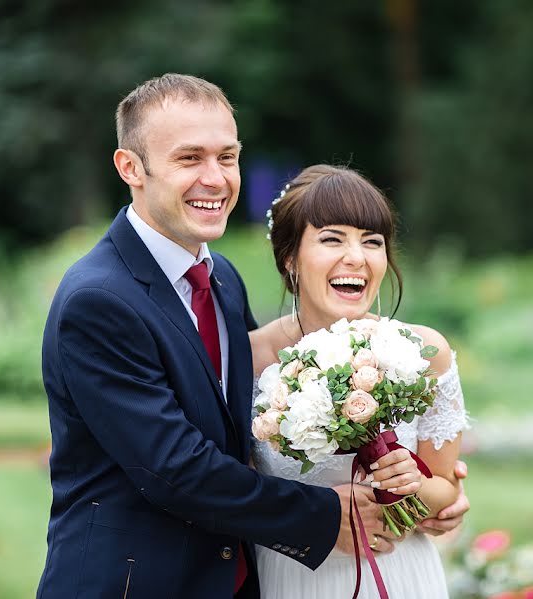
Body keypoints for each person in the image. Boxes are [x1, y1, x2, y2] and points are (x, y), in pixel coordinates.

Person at [34, 74, 424, 598]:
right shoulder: (99, 301)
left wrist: (428, 490)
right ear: (132, 169)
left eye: (227, 156)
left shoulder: (222, 279)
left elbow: (252, 427)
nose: (215, 179)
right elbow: (176, 468)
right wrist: (329, 513)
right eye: (189, 158)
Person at [249, 164, 471, 598]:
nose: (357, 257)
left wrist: (413, 485)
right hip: (292, 576)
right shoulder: (248, 358)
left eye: (373, 241)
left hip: (400, 573)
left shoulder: (423, 354)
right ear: (290, 257)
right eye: (332, 239)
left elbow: (445, 491)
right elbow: (226, 487)